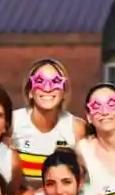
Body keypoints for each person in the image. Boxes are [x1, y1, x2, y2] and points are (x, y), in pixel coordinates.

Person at [10, 58, 88, 187]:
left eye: (55, 82)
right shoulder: (12, 123)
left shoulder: (77, 128)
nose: (47, 88)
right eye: (40, 81)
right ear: (30, 91)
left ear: (64, 92)